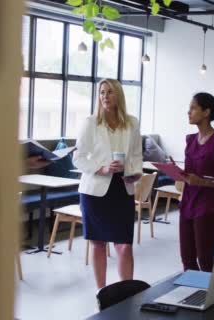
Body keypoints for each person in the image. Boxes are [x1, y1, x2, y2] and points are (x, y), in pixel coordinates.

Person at [73, 79, 143, 290]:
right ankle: (101, 294)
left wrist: (135, 173)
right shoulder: (90, 122)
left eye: (110, 92)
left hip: (123, 189)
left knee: (125, 246)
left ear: (118, 95)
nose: (105, 96)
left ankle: (127, 295)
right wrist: (101, 168)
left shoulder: (132, 123)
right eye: (102, 92)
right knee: (98, 244)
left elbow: (137, 156)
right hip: (95, 192)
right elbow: (78, 157)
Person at [179, 92, 214, 272]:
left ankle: (210, 297)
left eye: (193, 108)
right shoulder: (190, 139)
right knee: (187, 258)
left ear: (206, 112)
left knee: (205, 258)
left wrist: (200, 182)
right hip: (188, 201)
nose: (189, 112)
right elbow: (189, 173)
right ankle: (191, 295)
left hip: (208, 205)